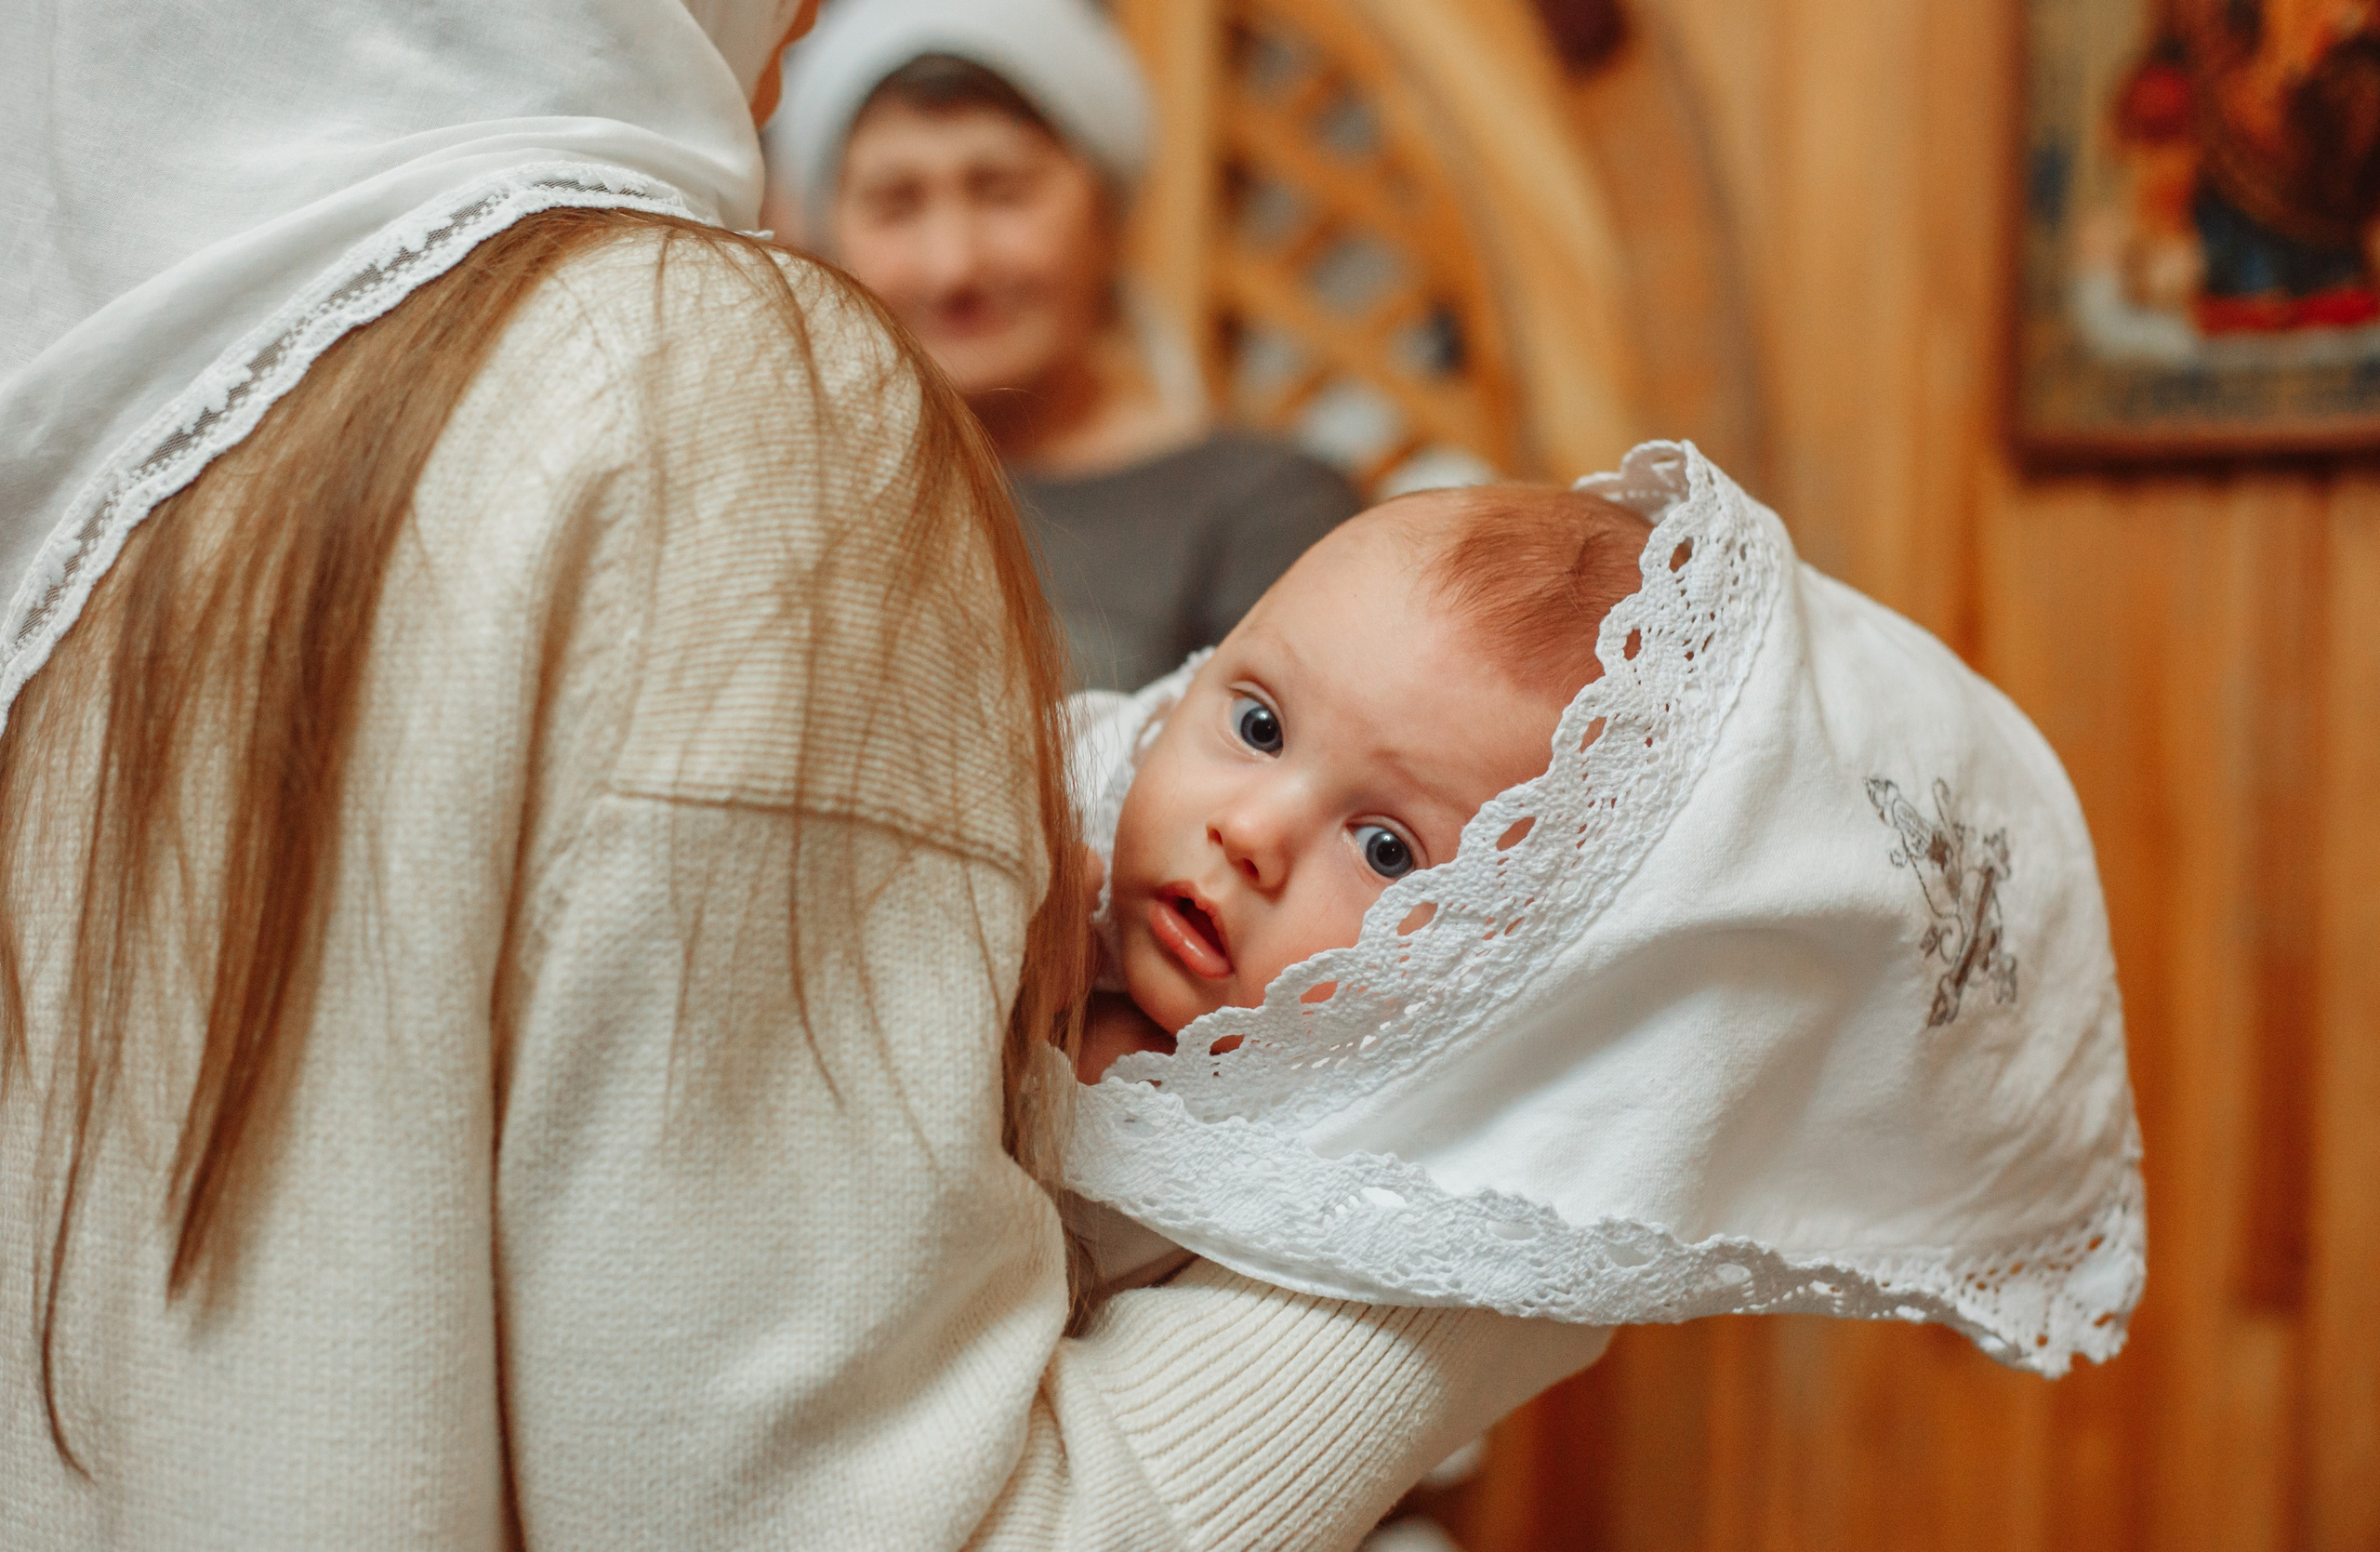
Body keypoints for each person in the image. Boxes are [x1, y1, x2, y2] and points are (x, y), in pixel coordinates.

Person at [0, 2, 1611, 1546]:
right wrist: (1507, 1238)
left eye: (1002, 187)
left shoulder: (112, 426)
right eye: (897, 196)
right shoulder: (726, 401)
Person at [1059, 444, 2148, 1379]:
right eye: (1257, 726)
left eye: (1387, 848)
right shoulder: (1036, 828)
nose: (1250, 832)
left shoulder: (1390, 1215)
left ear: (1510, 966)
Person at [766, 0, 1366, 692]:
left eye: (1003, 193)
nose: (953, 266)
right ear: (829, 241)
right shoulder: (784, 495)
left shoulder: (1264, 510)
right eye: (896, 204)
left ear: (1108, 216)